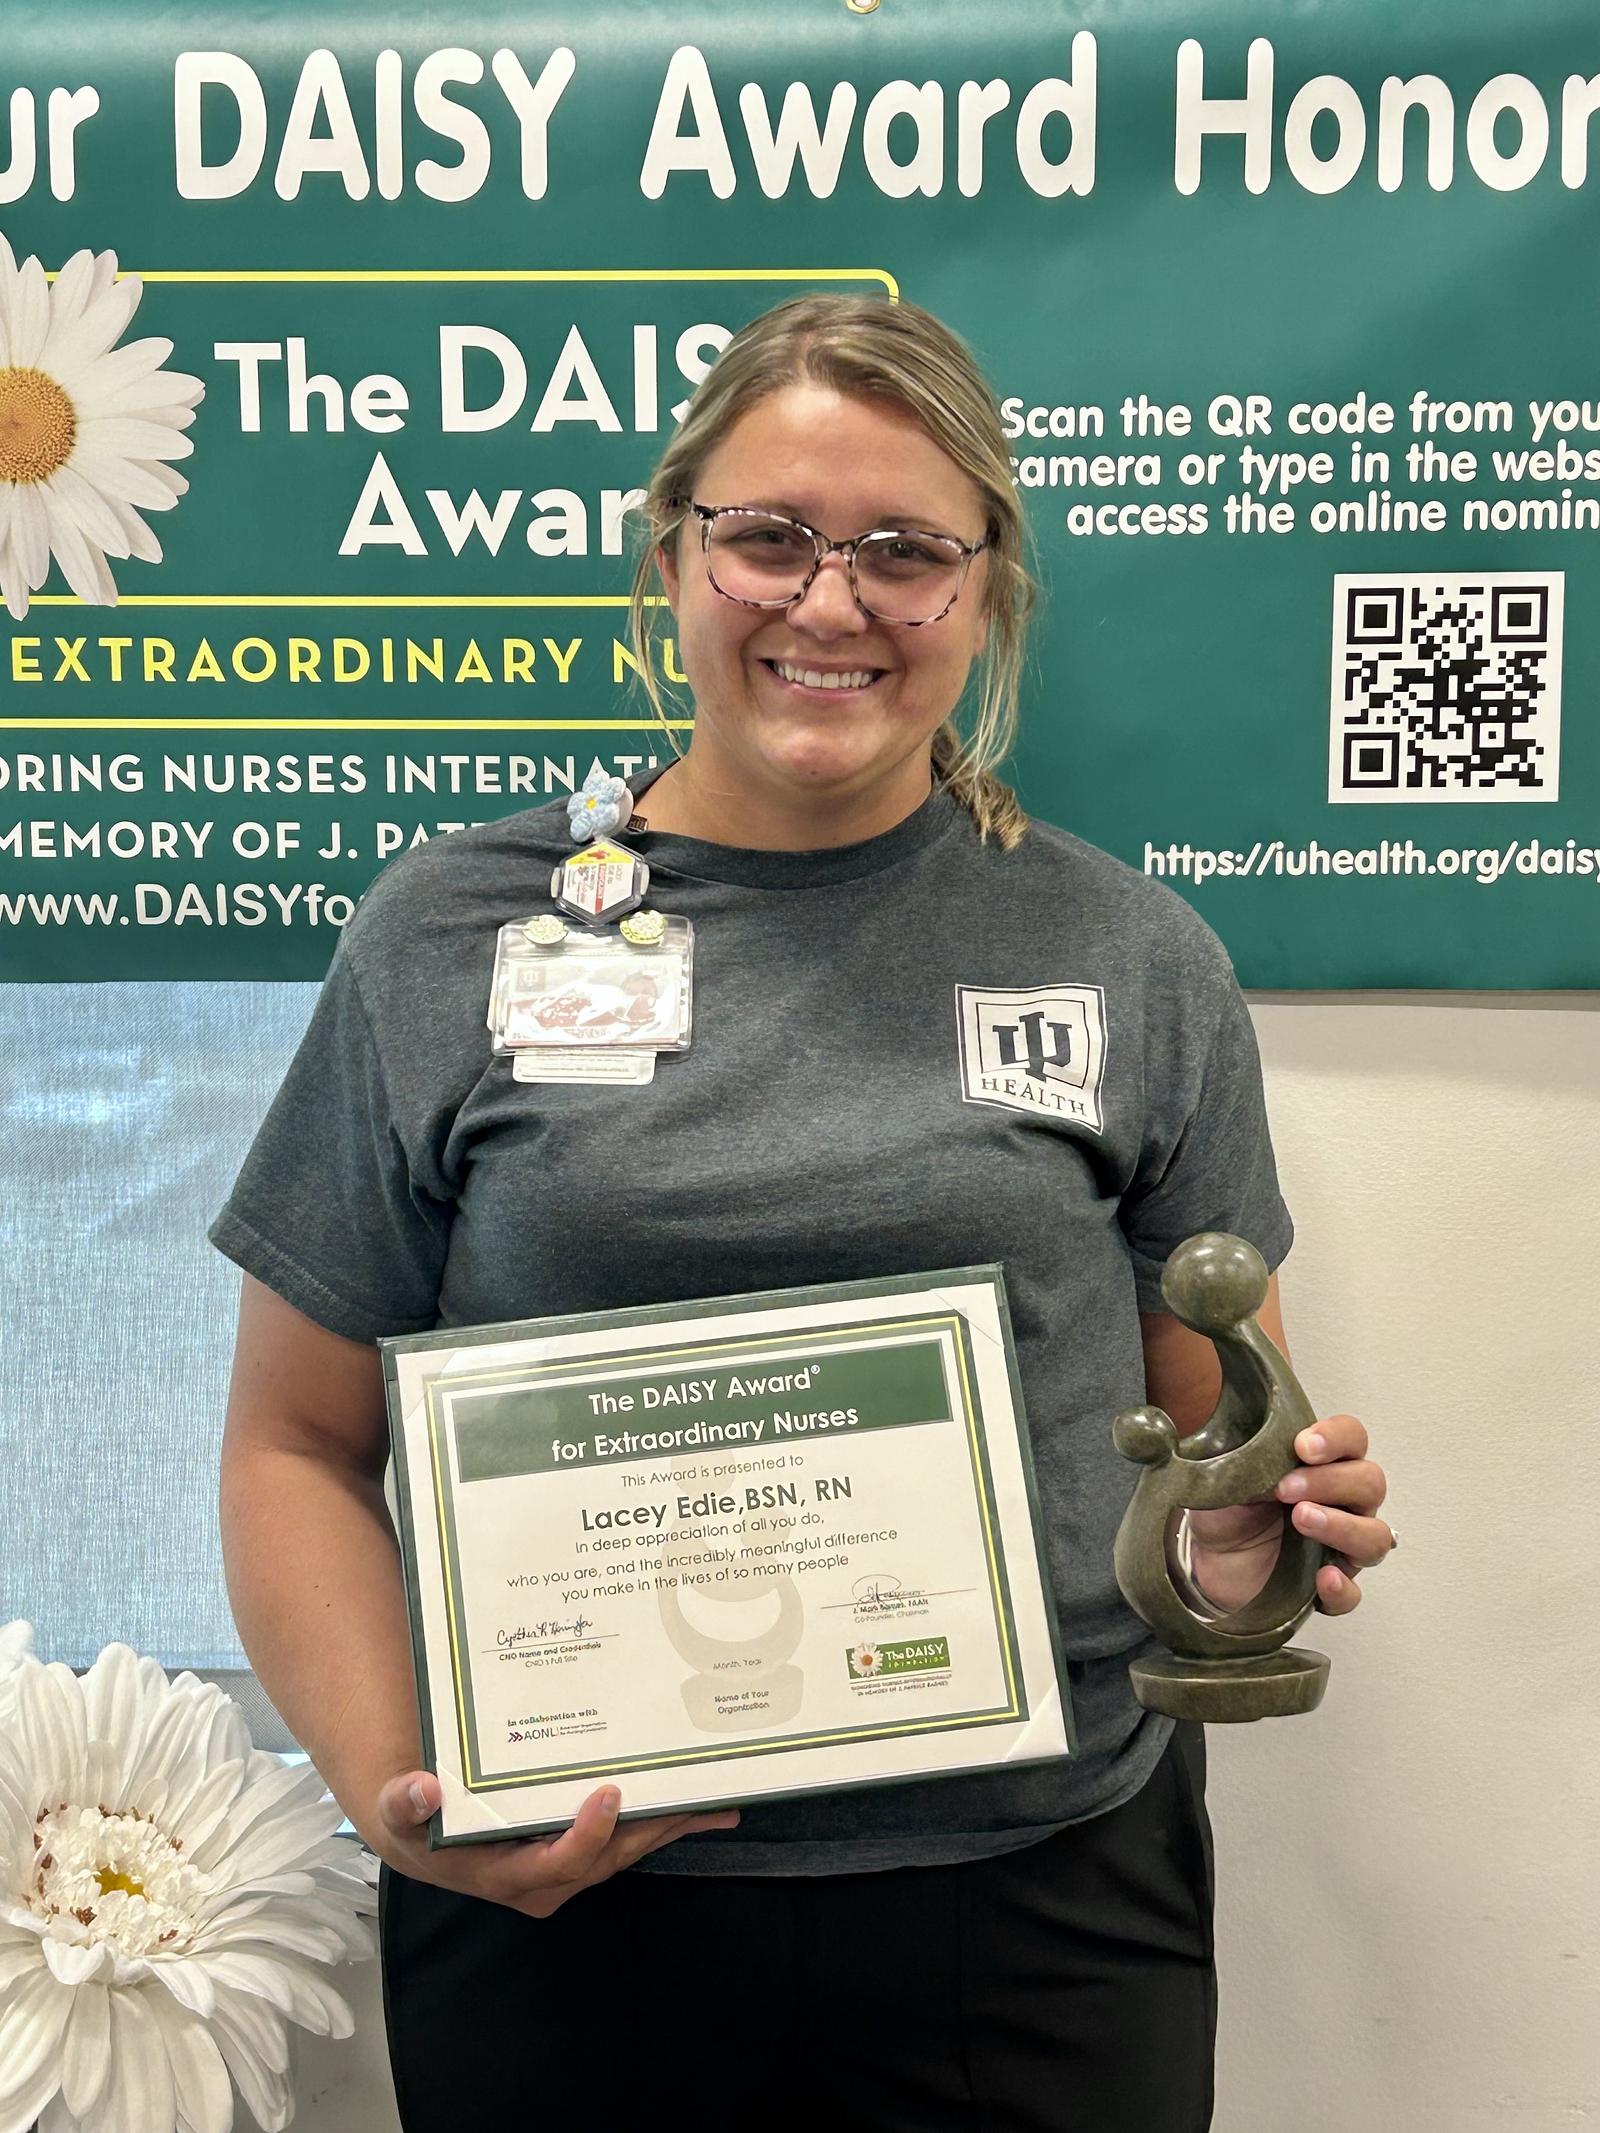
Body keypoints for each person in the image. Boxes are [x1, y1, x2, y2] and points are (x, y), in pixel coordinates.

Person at [212, 295, 1393, 2132]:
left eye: (906, 555)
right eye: (768, 536)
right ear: (670, 555)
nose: (829, 605)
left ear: (985, 594)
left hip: (1038, 1909)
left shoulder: (1131, 955)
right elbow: (295, 1441)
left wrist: (1241, 1552)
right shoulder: (444, 937)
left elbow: (1213, 1438)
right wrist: (397, 1796)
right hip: (571, 1912)